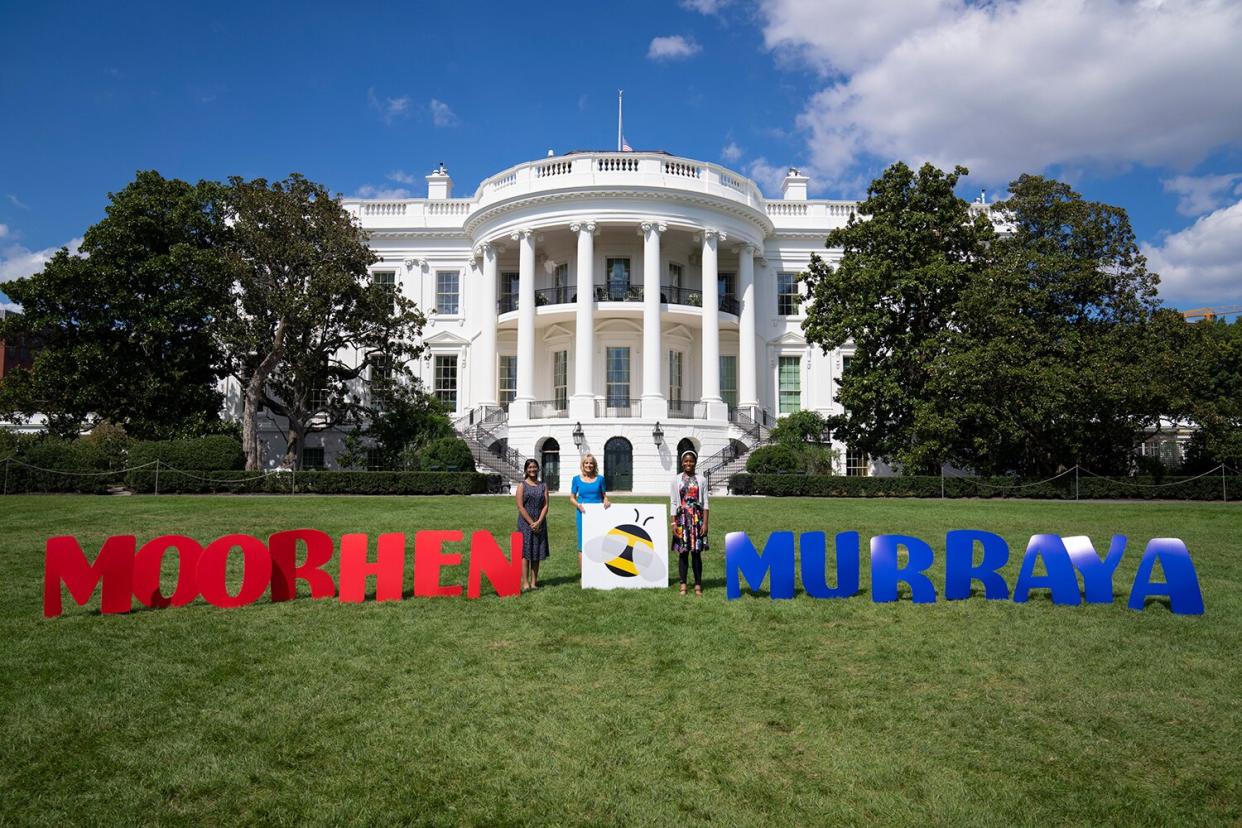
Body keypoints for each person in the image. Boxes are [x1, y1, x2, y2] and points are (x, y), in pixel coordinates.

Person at [670, 449, 709, 596]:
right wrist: (673, 523)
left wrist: (705, 523)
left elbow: (705, 503)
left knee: (696, 553)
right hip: (682, 520)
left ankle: (698, 584)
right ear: (682, 463)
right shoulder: (676, 480)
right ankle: (683, 584)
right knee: (683, 553)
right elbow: (673, 502)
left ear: (695, 462)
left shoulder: (702, 480)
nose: (688, 463)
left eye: (691, 461)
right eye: (686, 461)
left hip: (697, 519)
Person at [516, 458, 550, 590]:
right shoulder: (522, 486)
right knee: (525, 553)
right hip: (525, 523)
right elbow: (520, 507)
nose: (532, 469)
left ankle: (534, 582)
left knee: (537, 552)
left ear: (538, 469)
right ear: (526, 469)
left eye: (534, 467)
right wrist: (532, 523)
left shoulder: (543, 486)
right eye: (530, 467)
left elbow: (546, 505)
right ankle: (525, 582)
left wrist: (539, 521)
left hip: (540, 521)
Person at [569, 453, 610, 562]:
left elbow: (604, 496)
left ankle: (597, 571)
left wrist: (606, 501)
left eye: (591, 463)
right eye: (586, 463)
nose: (589, 465)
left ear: (594, 465)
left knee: (599, 541)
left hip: (598, 514)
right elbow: (572, 498)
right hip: (582, 514)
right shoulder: (576, 479)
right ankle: (583, 576)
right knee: (582, 543)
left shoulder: (600, 479)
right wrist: (578, 505)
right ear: (582, 465)